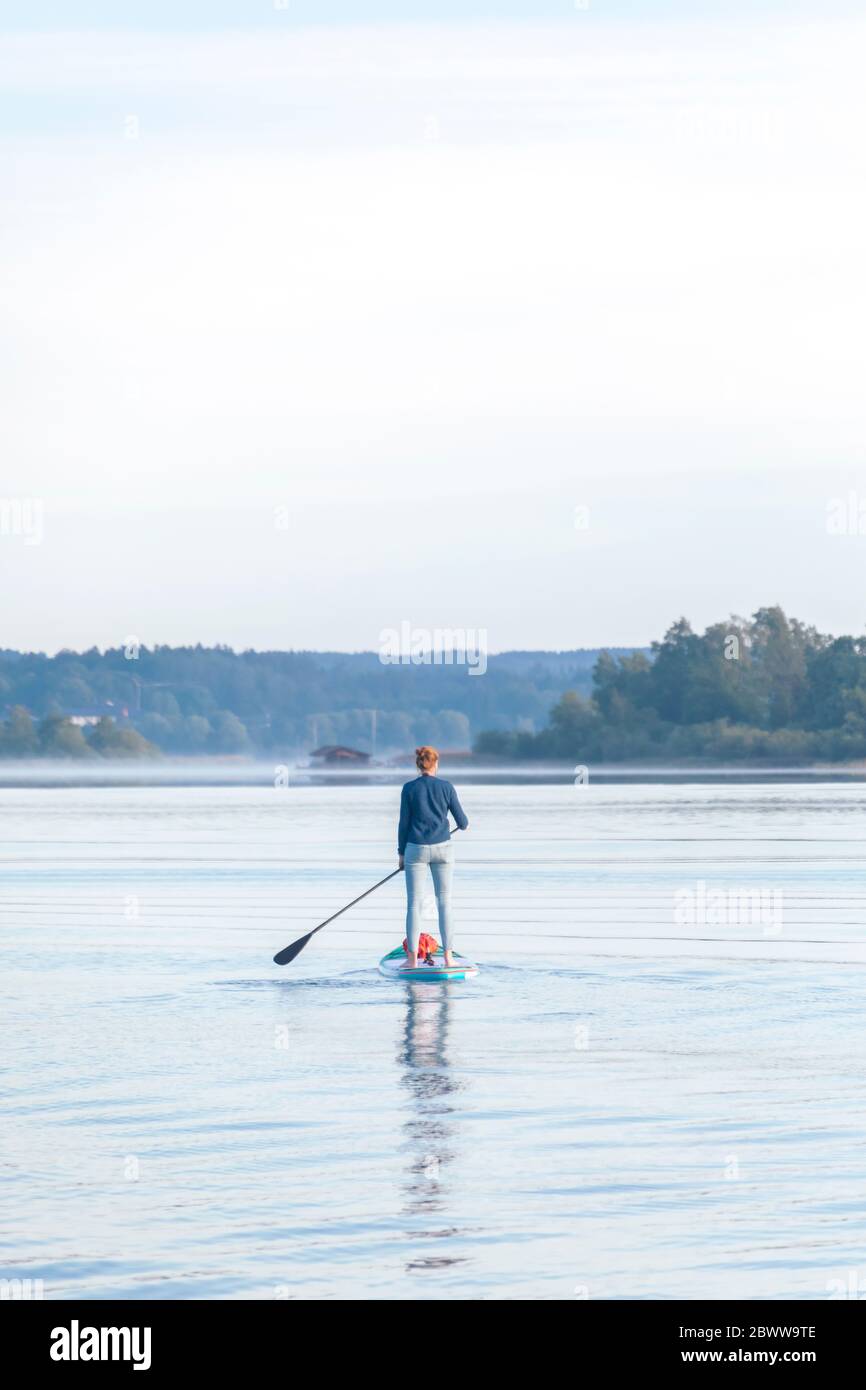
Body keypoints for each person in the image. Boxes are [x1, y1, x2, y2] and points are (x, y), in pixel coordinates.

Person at [398, 745, 469, 970]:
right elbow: (463, 822)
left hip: (415, 850)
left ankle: (411, 961)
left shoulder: (408, 788)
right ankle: (448, 958)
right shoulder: (446, 787)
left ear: (418, 765)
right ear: (436, 764)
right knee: (444, 902)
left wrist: (401, 853)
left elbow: (403, 824)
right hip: (443, 849)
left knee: (413, 905)